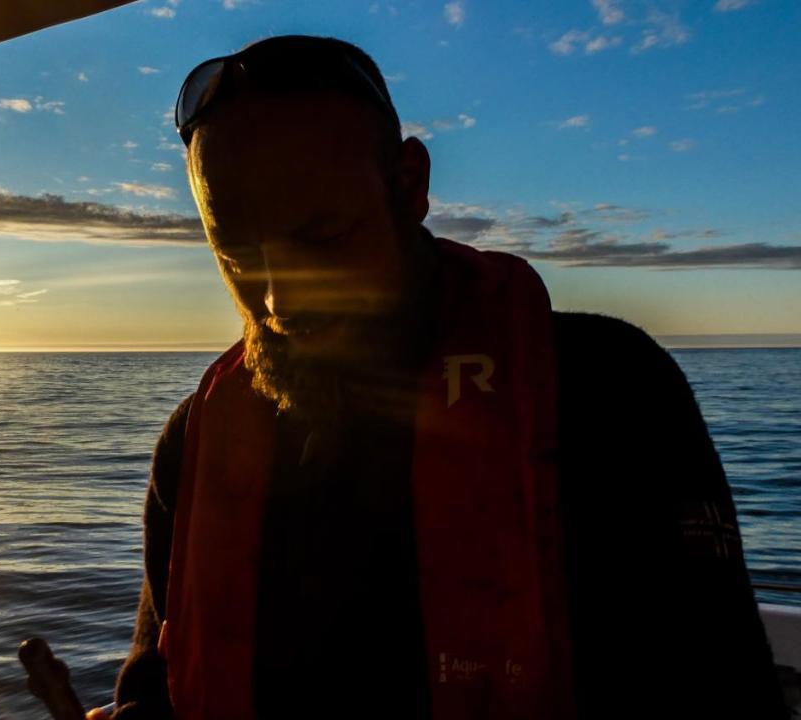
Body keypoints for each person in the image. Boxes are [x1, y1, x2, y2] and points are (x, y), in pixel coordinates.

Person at [96, 35, 786, 719]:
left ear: (409, 186)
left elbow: (730, 694)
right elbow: (155, 696)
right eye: (237, 255)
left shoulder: (608, 390)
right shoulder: (195, 443)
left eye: (324, 238)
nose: (279, 304)